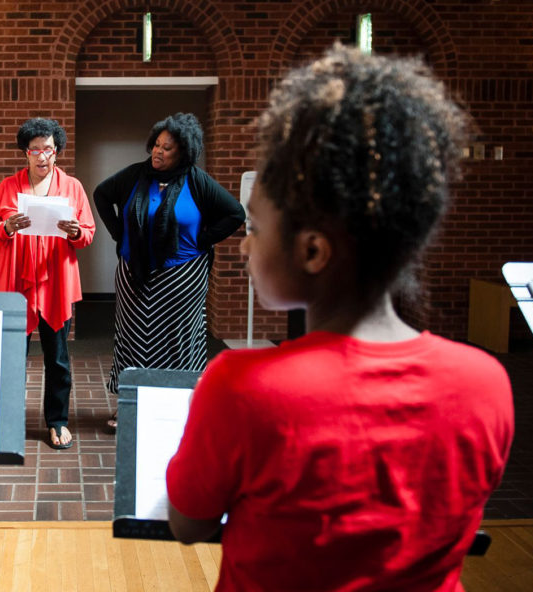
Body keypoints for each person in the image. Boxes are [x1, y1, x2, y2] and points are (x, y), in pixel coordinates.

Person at [165, 45, 515, 591]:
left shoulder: (239, 384)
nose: (242, 248)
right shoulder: (486, 383)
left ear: (312, 252)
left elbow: (189, 523)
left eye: (255, 228)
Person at [94, 112, 244, 429]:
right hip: (135, 274)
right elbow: (102, 195)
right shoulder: (135, 175)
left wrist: (202, 240)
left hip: (182, 276)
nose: (158, 153)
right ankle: (129, 405)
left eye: (168, 149)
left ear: (184, 153)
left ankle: (178, 405)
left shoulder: (196, 181)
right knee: (133, 338)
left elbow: (234, 213)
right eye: (157, 145)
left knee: (178, 339)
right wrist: (119, 233)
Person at [0, 118, 95, 450]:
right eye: (35, 150)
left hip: (56, 283)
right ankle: (6, 421)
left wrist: (75, 232)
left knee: (57, 357)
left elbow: (88, 233)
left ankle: (57, 421)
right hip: (16, 282)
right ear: (26, 153)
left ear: (56, 151)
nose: (42, 156)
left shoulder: (72, 186)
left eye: (48, 149)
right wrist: (7, 228)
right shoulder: (8, 186)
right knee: (11, 355)